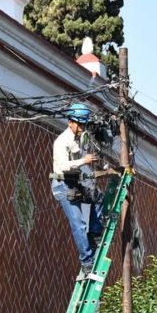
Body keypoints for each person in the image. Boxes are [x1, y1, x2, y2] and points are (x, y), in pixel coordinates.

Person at [51, 102, 104, 275]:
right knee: (79, 224)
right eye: (80, 124)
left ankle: (95, 234)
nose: (82, 128)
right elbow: (62, 167)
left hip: (75, 182)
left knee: (98, 197)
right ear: (70, 122)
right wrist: (84, 161)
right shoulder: (62, 142)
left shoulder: (79, 138)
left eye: (84, 124)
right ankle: (87, 261)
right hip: (62, 185)